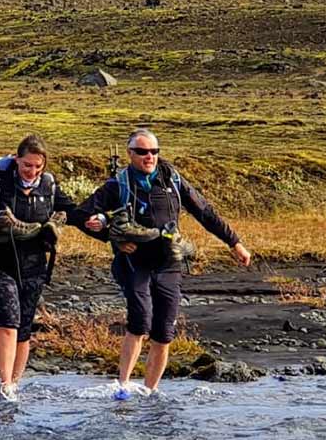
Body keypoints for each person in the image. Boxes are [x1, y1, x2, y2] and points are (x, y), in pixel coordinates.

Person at [73, 128, 251, 399]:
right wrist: (111, 236)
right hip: (134, 262)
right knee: (140, 322)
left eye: (154, 151)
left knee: (164, 331)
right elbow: (80, 214)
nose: (149, 157)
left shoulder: (173, 180)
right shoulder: (119, 184)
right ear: (130, 154)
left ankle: (149, 392)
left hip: (169, 262)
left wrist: (234, 242)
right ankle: (121, 388)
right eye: (143, 152)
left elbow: (205, 212)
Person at [0, 135, 78, 401]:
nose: (32, 171)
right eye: (27, 165)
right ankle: (4, 383)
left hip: (34, 266)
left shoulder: (49, 186)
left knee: (25, 327)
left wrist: (97, 220)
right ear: (17, 159)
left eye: (38, 167)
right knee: (8, 321)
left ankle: (15, 385)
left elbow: (72, 210)